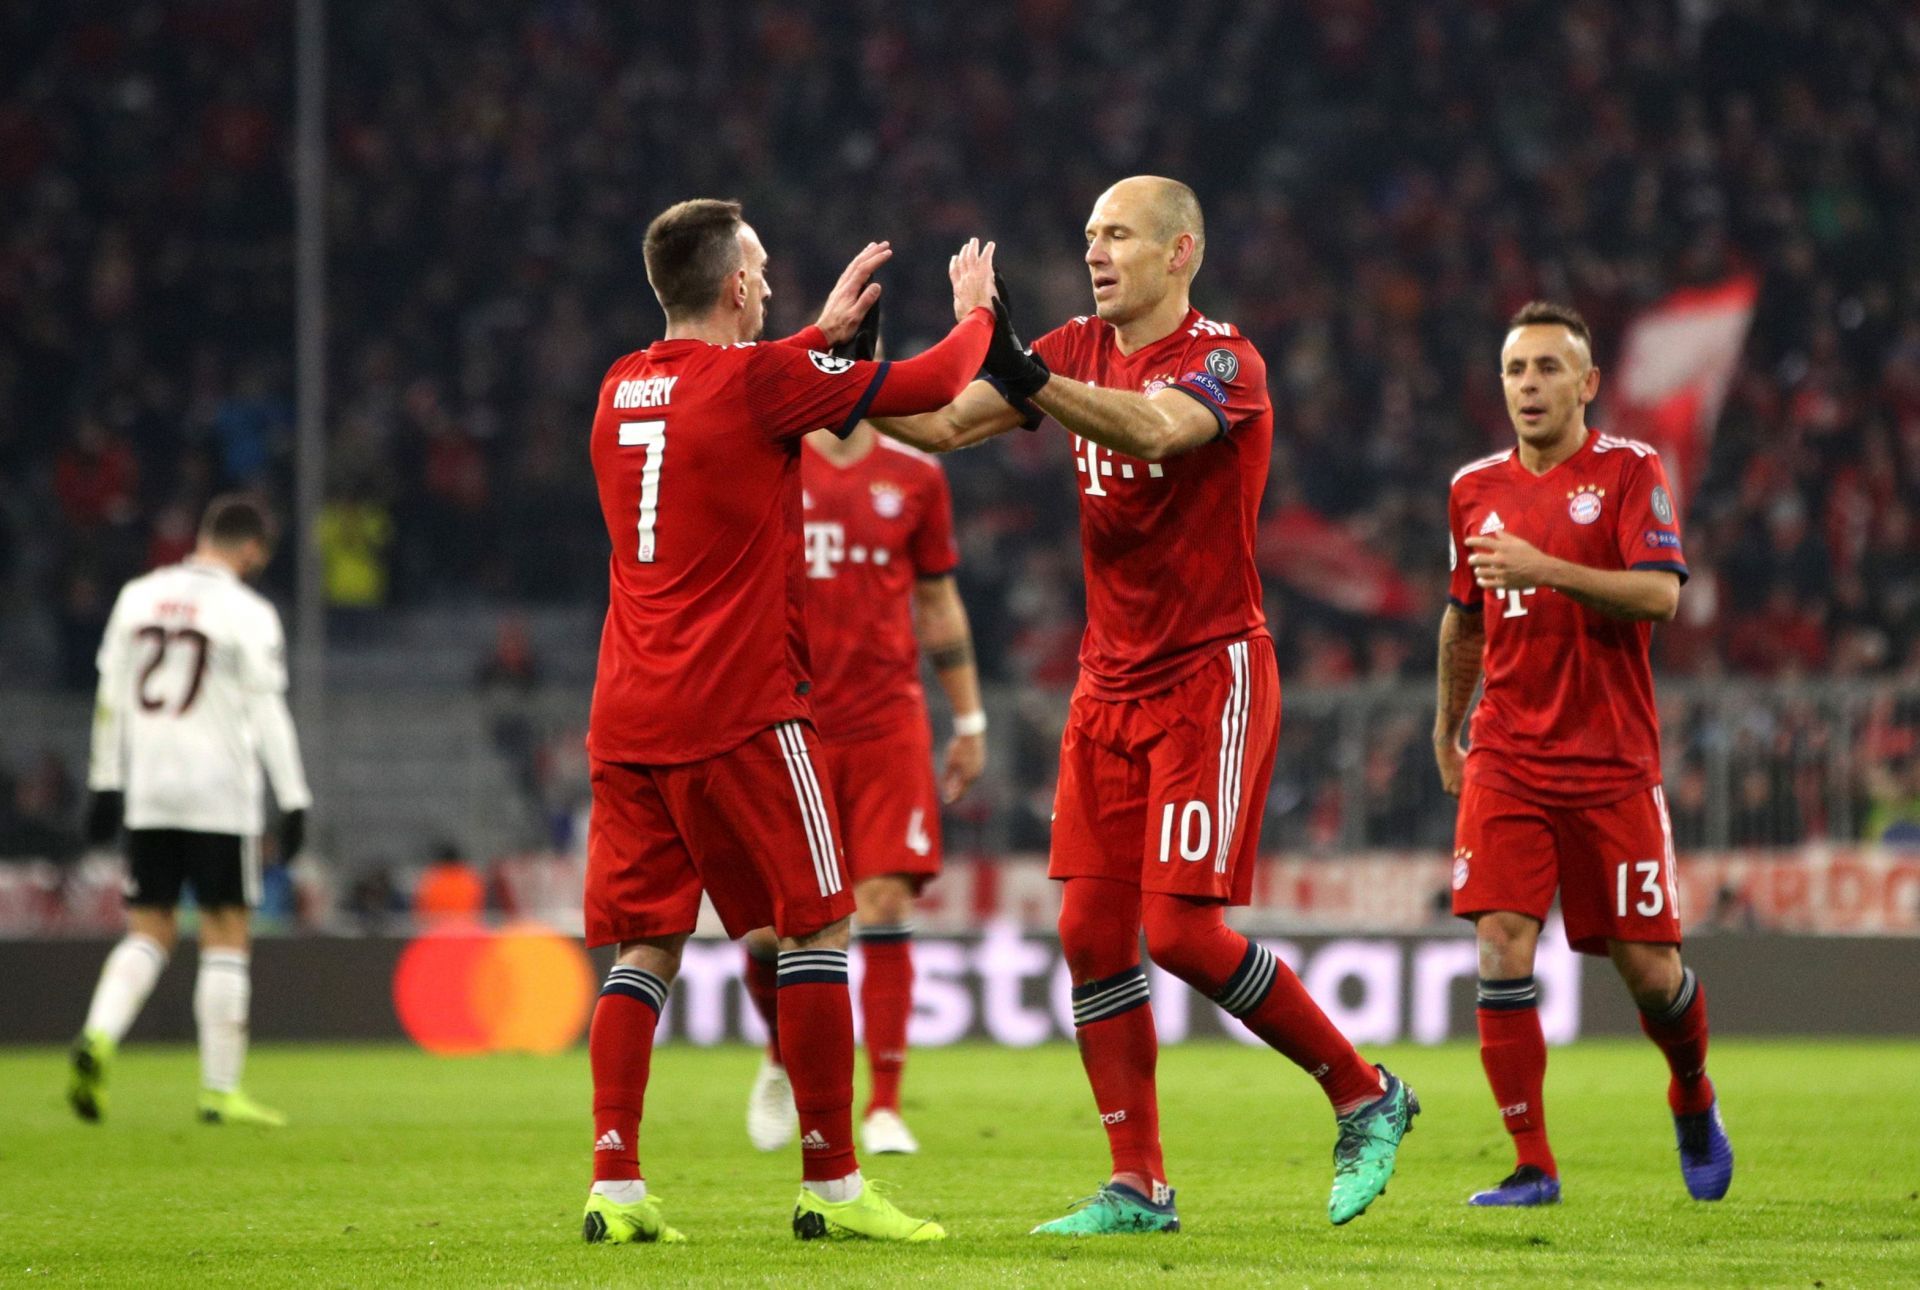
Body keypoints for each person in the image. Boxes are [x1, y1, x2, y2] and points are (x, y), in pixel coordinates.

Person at [871, 176, 1417, 1235]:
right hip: (1106, 680)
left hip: (1209, 676)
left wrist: (1021, 365)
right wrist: (830, 378)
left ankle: (1365, 1092)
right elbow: (939, 425)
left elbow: (1157, 433)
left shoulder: (1226, 360)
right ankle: (1138, 1185)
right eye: (1086, 236)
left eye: (1117, 234)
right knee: (1088, 928)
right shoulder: (1071, 347)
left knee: (1179, 931)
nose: (1095, 251)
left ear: (1181, 254)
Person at [580, 197, 1000, 1246]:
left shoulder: (621, 386)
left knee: (647, 948)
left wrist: (816, 335)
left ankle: (616, 1186)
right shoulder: (760, 379)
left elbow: (738, 396)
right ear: (733, 287)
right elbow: (938, 384)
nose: (767, 285)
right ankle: (835, 1183)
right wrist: (979, 313)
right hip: (744, 707)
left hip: (628, 713)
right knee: (817, 922)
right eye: (758, 270)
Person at [1433, 300, 1733, 1207]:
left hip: (1611, 764)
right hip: (1509, 754)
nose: (1530, 385)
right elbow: (1464, 615)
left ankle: (1692, 1095)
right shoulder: (1472, 489)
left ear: (1588, 384)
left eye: (1549, 368)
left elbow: (1658, 598)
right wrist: (1448, 727)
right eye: (1516, 370)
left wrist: (1546, 568)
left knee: (1650, 972)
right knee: (1500, 944)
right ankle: (1533, 1165)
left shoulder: (1633, 471)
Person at [742, 316, 989, 1160]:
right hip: (790, 721)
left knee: (883, 902)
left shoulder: (916, 477)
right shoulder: (775, 461)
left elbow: (939, 602)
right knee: (778, 928)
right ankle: (779, 1059)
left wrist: (970, 717)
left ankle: (883, 1104)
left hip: (887, 720)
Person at [69, 493, 311, 1128]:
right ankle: (219, 1090)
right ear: (253, 550)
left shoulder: (137, 596)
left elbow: (109, 697)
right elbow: (268, 711)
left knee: (148, 929)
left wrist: (103, 784)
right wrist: (293, 799)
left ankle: (97, 1035)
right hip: (218, 794)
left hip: (148, 789)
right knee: (226, 930)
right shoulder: (249, 611)